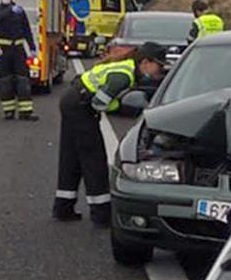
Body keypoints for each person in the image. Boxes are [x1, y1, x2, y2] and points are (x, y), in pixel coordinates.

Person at [52, 42, 168, 227]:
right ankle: (101, 214)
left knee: (71, 157)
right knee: (94, 159)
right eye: (159, 66)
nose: (159, 71)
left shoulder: (126, 68)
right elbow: (99, 103)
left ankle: (63, 207)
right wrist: (123, 107)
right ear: (145, 62)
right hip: (80, 107)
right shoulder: (124, 75)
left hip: (72, 101)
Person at [0, 0, 39, 121]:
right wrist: (10, 10)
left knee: (23, 79)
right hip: (2, 50)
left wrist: (32, 47)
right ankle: (8, 111)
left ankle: (26, 112)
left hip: (18, 49)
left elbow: (26, 29)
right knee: (5, 80)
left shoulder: (19, 11)